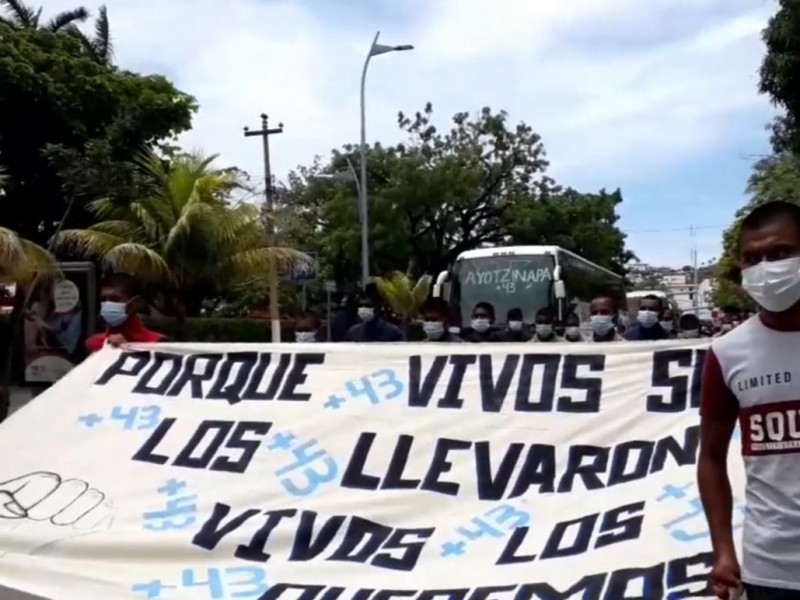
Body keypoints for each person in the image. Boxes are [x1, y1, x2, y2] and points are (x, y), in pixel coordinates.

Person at [698, 200, 800, 599]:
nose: (766, 268)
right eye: (751, 259)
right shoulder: (726, 353)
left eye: (780, 253)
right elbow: (710, 457)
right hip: (769, 570)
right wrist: (723, 551)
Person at [86, 273, 165, 353]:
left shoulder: (158, 343)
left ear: (135, 303)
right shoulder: (94, 344)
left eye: (115, 299)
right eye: (103, 300)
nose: (107, 304)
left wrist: (127, 349)